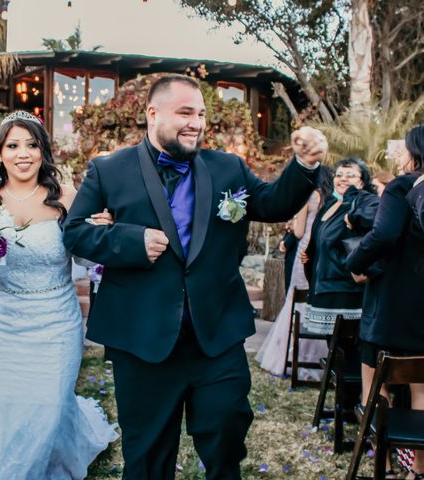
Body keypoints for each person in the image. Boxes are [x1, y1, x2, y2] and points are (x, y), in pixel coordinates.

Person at [63, 74, 326, 479]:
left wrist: (304, 166)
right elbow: (76, 231)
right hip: (143, 340)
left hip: (216, 337)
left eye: (201, 114)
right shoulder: (108, 169)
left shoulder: (228, 168)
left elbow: (272, 204)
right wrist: (131, 241)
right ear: (152, 114)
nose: (196, 122)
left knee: (226, 439)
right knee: (147, 456)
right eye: (185, 112)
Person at [0, 111, 117, 479]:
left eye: (31, 145)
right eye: (12, 145)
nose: (23, 153)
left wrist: (100, 233)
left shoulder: (67, 198)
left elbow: (83, 256)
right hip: (0, 327)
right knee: (3, 409)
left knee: (48, 407)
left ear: (43, 151)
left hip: (54, 324)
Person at [347, 124, 424, 480]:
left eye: (403, 148)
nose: (399, 155)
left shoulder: (402, 186)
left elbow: (382, 235)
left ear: (416, 151)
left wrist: (354, 264)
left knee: (376, 384)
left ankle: (382, 465)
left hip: (390, 308)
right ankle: (422, 470)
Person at [256, 166, 333, 379]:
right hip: (320, 252)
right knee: (313, 301)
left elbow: (299, 231)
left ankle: (288, 357)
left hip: (303, 251)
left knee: (296, 302)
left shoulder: (308, 196)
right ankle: (319, 356)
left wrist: (292, 226)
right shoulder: (330, 199)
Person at [302, 157, 379, 335]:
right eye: (339, 175)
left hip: (345, 287)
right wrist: (311, 255)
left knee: (347, 349)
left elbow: (375, 219)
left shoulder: (364, 201)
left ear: (362, 181)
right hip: (323, 286)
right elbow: (319, 239)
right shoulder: (330, 204)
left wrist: (353, 213)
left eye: (350, 175)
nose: (343, 179)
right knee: (334, 349)